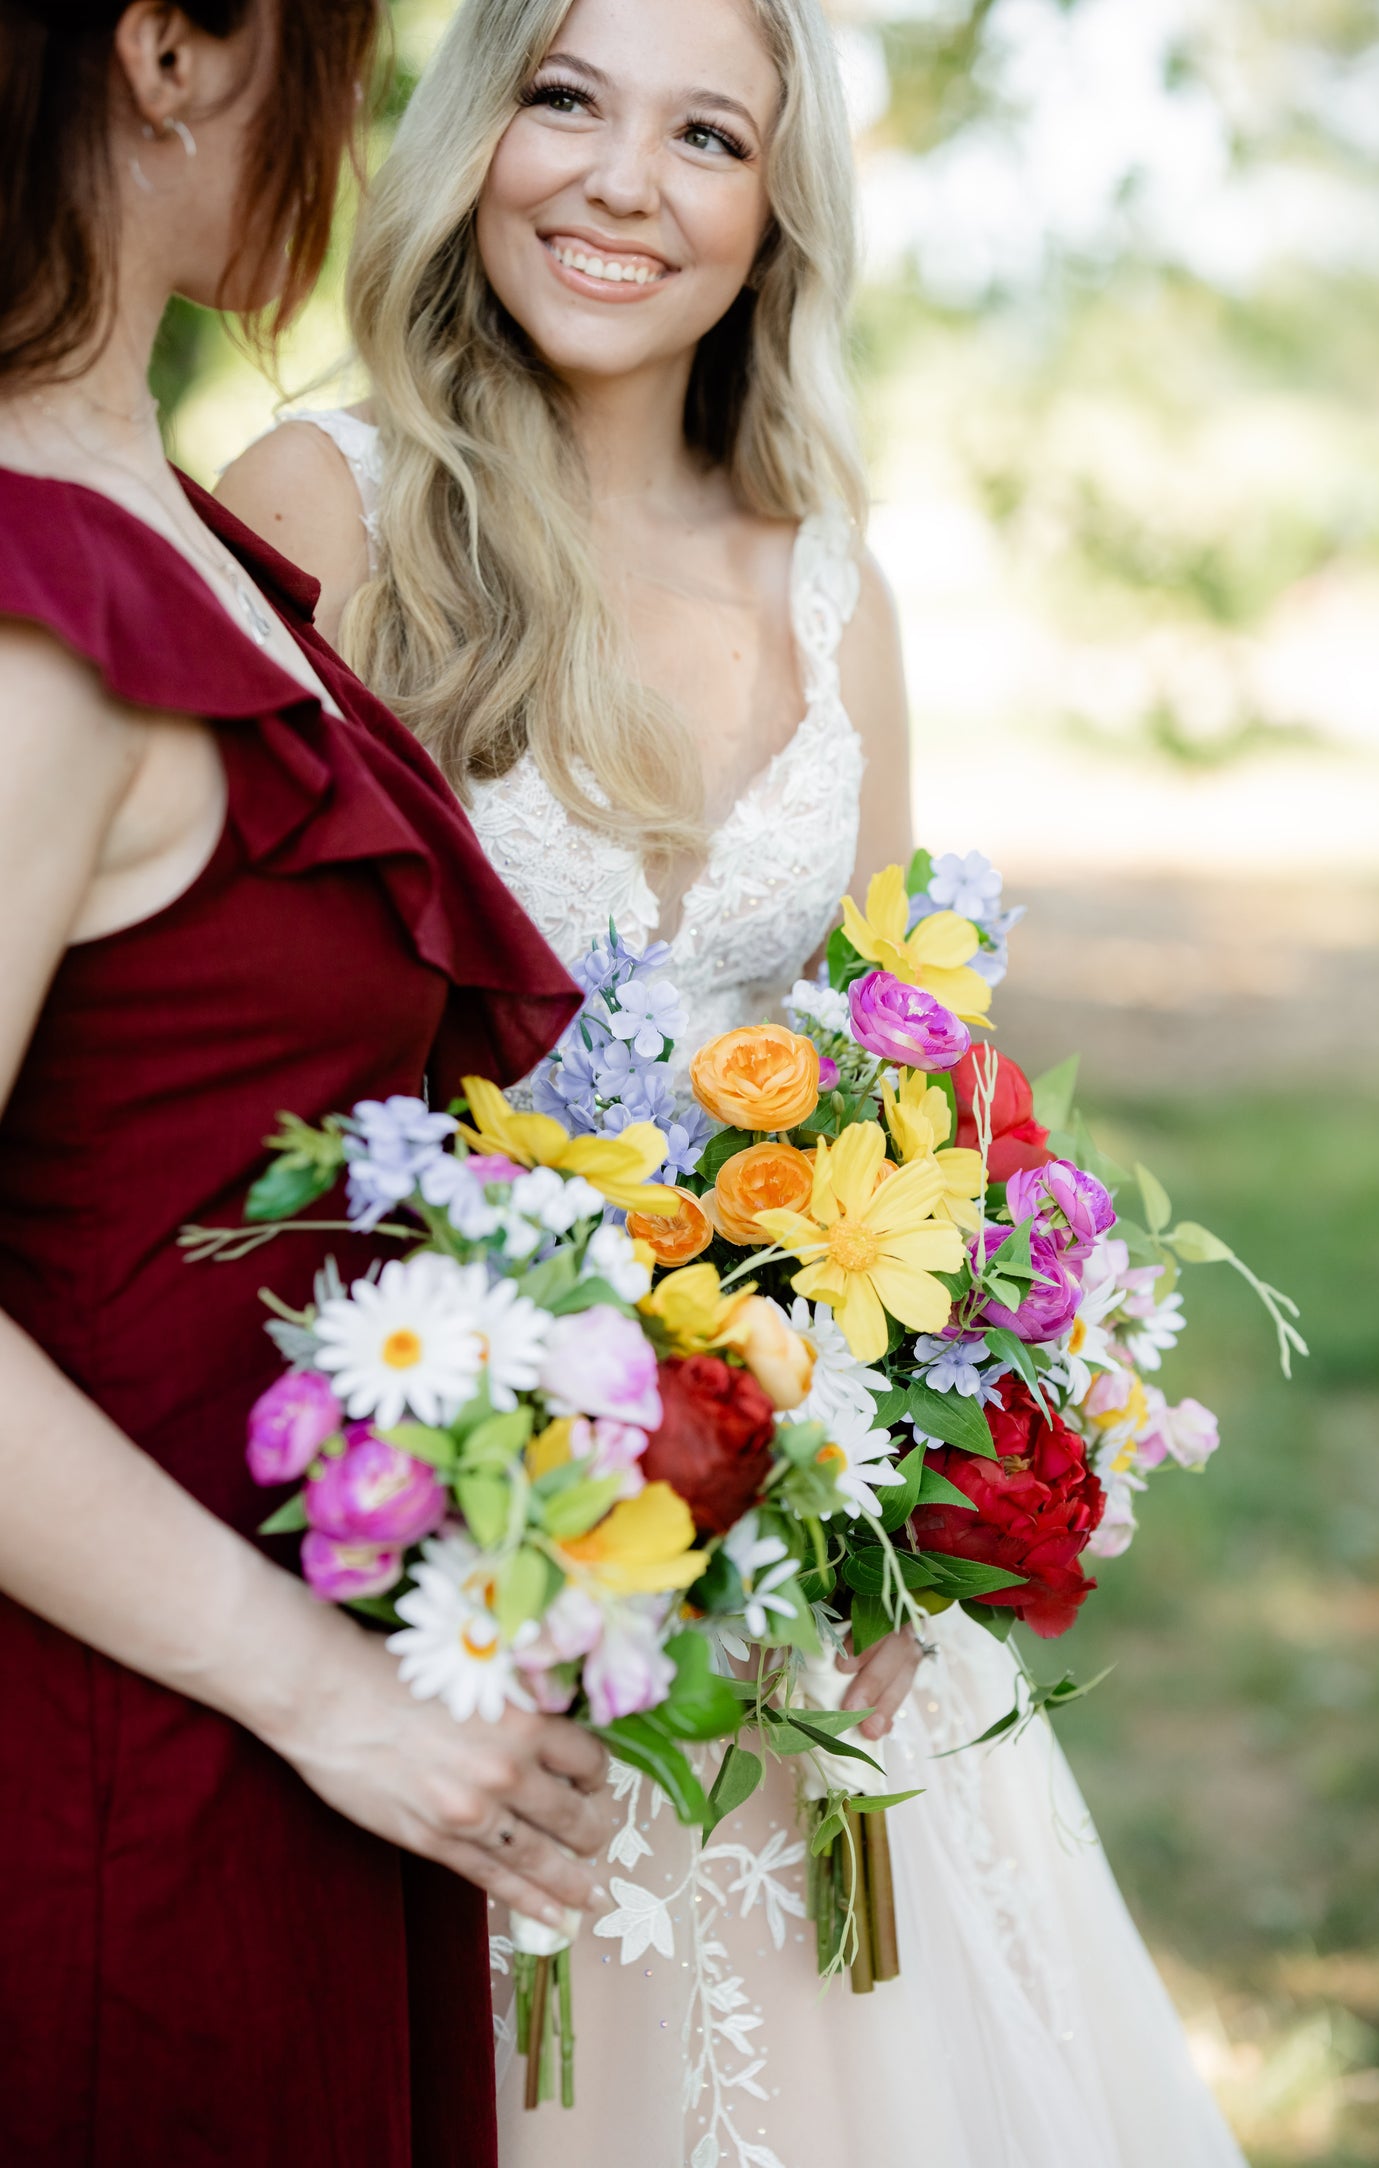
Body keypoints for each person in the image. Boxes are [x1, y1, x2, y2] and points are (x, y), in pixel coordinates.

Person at [219, 1, 1250, 2161]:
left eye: (707, 132)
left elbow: (916, 1085)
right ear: (473, 126)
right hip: (468, 1565)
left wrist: (912, 1513)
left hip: (809, 1575)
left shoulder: (830, 571)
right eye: (565, 98)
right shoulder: (327, 502)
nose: (620, 179)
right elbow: (226, 1064)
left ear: (777, 207)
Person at [0, 6, 614, 2165]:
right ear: (174, 47)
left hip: (300, 1743)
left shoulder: (155, 524)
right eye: (339, 49)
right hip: (115, 1776)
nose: (355, 129)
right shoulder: (34, 607)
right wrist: (318, 1692)